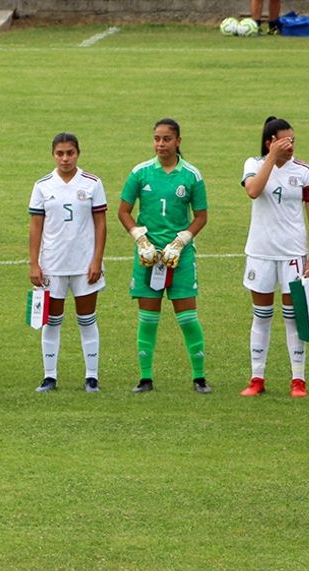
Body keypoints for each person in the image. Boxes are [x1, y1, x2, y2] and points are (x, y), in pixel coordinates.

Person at [117, 118, 210, 394]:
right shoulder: (140, 172)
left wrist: (182, 241)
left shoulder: (191, 175)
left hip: (180, 258)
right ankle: (145, 378)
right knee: (147, 318)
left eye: (167, 139)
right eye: (157, 138)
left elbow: (201, 216)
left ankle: (200, 377)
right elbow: (123, 211)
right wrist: (140, 239)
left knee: (188, 317)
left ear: (178, 141)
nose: (161, 144)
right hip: (149, 258)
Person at [240, 116, 309, 398]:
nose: (291, 146)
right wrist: (271, 159)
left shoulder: (305, 171)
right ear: (270, 142)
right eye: (285, 141)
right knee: (261, 315)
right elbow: (253, 191)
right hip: (260, 253)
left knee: (292, 317)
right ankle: (256, 378)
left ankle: (298, 380)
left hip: (292, 255)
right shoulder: (253, 165)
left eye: (293, 140)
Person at [27, 133, 107, 393]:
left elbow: (100, 224)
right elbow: (35, 227)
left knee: (87, 319)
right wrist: (34, 263)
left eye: (70, 153)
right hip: (52, 264)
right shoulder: (42, 186)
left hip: (85, 265)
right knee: (52, 320)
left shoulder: (93, 183)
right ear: (53, 154)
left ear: (78, 153)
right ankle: (49, 376)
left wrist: (97, 259)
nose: (65, 158)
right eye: (60, 153)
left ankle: (91, 376)